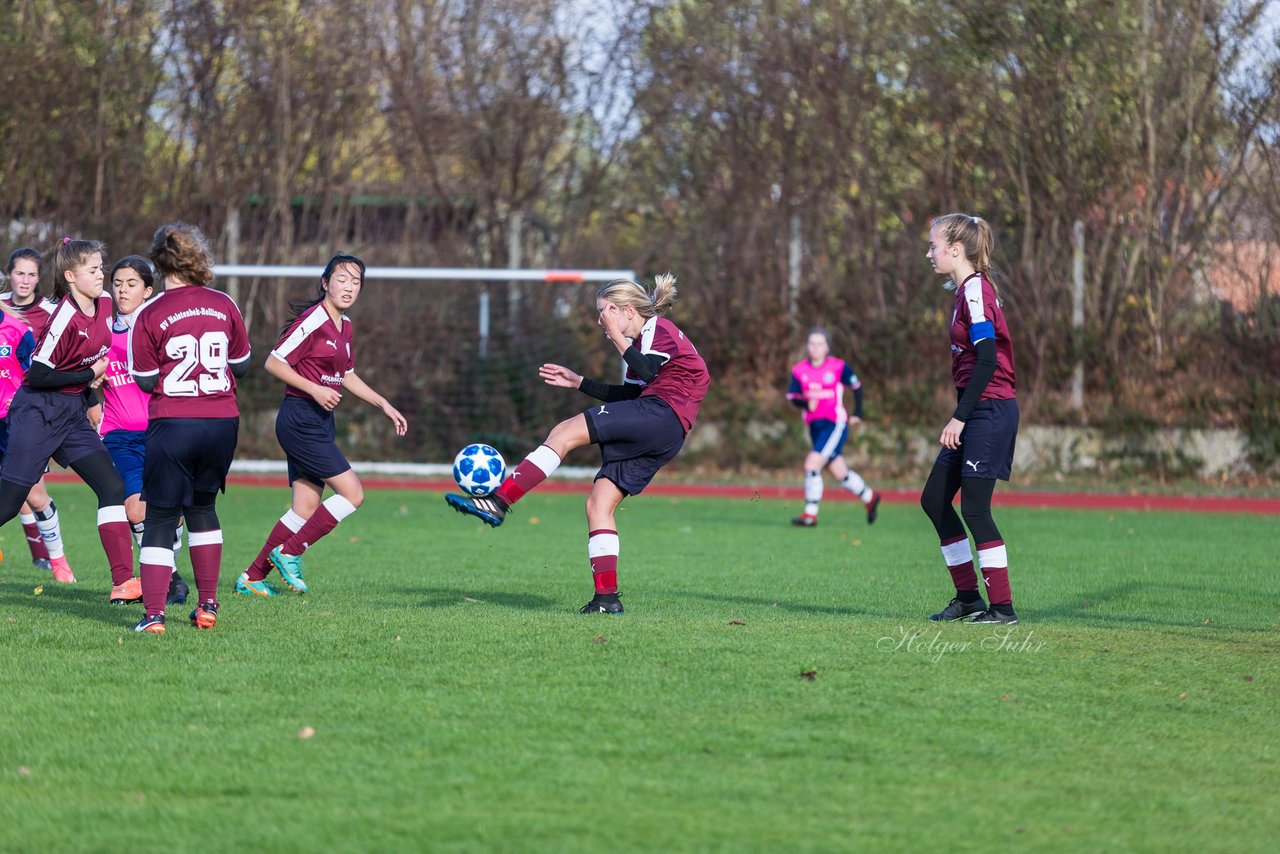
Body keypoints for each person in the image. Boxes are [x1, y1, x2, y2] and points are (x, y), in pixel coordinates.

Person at [445, 273, 711, 614]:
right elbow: (633, 391)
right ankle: (606, 599)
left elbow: (645, 375)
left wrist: (617, 338)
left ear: (627, 310)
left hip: (661, 415)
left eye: (605, 311)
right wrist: (580, 382)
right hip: (667, 428)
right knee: (598, 504)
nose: (600, 320)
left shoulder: (658, 329)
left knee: (564, 432)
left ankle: (499, 501)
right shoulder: (645, 342)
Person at [236, 253, 407, 597]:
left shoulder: (346, 326)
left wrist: (383, 403)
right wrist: (315, 389)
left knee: (304, 507)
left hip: (320, 420)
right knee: (353, 493)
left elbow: (346, 375)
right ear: (325, 283)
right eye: (341, 279)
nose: (348, 287)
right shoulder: (313, 319)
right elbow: (274, 361)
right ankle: (291, 552)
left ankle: (252, 577)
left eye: (356, 281)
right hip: (299, 418)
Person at [128, 224, 252, 633]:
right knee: (203, 509)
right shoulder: (224, 303)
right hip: (221, 422)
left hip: (174, 422)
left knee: (162, 518)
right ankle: (208, 606)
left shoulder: (150, 312)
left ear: (158, 262)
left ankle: (154, 615)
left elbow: (145, 380)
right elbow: (243, 366)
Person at [0, 238, 136, 601]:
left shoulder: (105, 302)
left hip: (71, 416)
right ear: (71, 276)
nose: (101, 275)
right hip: (37, 414)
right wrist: (89, 373)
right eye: (93, 270)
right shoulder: (62, 318)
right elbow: (40, 375)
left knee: (112, 487)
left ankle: (123, 582)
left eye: (101, 268)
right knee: (9, 504)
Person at [920, 213, 1020, 625]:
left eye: (934, 246)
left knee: (976, 509)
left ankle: (1003, 607)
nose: (930, 253)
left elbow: (987, 359)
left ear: (956, 250)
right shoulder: (964, 291)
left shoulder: (976, 289)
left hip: (989, 411)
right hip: (976, 410)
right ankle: (968, 598)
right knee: (934, 500)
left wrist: (960, 418)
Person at [87, 256, 189, 605]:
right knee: (135, 509)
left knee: (171, 511)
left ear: (148, 291)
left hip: (161, 432)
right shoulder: (102, 331)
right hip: (118, 435)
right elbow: (83, 368)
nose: (122, 290)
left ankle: (168, 567)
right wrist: (91, 387)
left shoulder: (159, 332)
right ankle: (168, 576)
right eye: (117, 283)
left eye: (131, 284)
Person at [2, 247, 72, 577]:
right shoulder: (2, 306)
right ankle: (40, 556)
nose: (25, 280)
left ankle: (57, 561)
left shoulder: (50, 312)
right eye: (19, 273)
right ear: (9, 275)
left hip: (26, 415)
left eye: (32, 274)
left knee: (33, 492)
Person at [786, 328, 881, 527]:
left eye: (820, 344)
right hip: (814, 426)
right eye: (812, 343)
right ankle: (870, 497)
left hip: (835, 425)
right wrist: (806, 403)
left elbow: (857, 387)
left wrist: (858, 413)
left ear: (827, 346)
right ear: (807, 346)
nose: (815, 348)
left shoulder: (838, 367)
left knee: (811, 465)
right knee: (840, 473)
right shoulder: (799, 370)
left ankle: (810, 515)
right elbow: (793, 397)